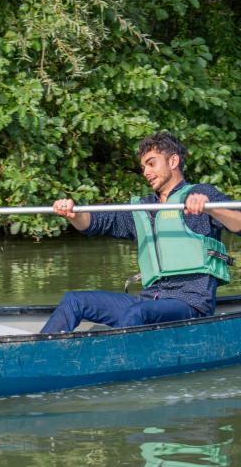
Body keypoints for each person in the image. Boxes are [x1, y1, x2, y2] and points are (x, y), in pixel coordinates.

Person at [40, 132, 241, 333]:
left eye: (152, 164)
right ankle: (39, 356)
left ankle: (112, 361)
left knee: (138, 313)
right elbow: (95, 222)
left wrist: (211, 208)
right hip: (150, 299)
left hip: (190, 302)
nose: (146, 171)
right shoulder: (142, 208)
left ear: (173, 161)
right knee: (74, 300)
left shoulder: (202, 194)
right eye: (143, 167)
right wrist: (71, 213)